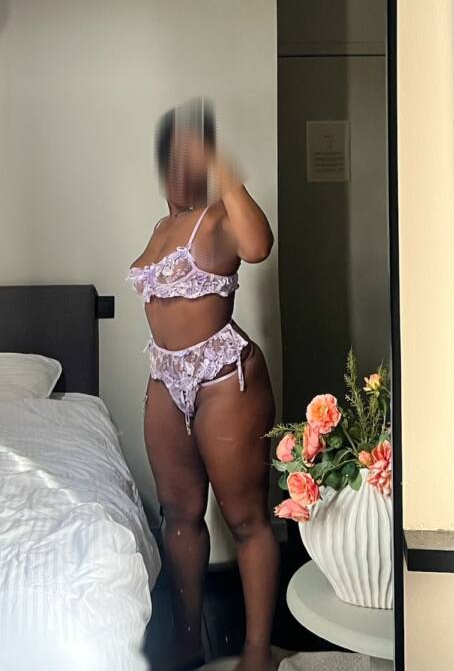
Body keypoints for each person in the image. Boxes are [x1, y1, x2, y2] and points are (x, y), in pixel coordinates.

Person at [128, 98, 279, 671]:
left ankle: (257, 651)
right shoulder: (161, 227)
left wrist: (220, 163)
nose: (179, 168)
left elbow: (258, 247)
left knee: (245, 519)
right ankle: (190, 640)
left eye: (190, 156)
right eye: (172, 157)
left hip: (222, 375)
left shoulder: (218, 215)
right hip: (166, 377)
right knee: (178, 513)